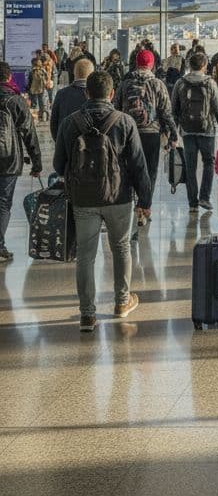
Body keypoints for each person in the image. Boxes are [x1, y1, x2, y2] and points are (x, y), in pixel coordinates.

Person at [53, 70, 152, 331]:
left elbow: (58, 163)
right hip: (119, 196)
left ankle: (87, 314)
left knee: (85, 256)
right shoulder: (125, 121)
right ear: (111, 94)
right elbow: (139, 165)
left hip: (83, 199)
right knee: (121, 248)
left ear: (87, 92)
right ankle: (121, 302)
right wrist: (145, 199)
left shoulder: (70, 122)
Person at [114, 49, 178, 227]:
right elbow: (166, 112)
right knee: (150, 171)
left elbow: (116, 109)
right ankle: (145, 207)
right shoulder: (157, 84)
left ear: (136, 63)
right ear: (151, 65)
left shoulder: (125, 84)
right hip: (151, 133)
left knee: (130, 169)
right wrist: (173, 134)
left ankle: (133, 204)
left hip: (128, 132)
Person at [171, 52, 218, 213]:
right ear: (204, 65)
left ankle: (192, 203)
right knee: (209, 163)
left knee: (190, 166)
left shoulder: (180, 83)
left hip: (187, 131)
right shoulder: (210, 83)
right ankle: (204, 197)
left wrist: (174, 134)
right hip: (207, 129)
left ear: (189, 65)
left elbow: (174, 110)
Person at [0, 62, 42, 263]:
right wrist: (36, 163)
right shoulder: (15, 101)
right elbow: (29, 134)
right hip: (8, 159)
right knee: (3, 203)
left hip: (8, 160)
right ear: (9, 78)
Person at [50, 57, 94, 139]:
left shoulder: (62, 93)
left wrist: (59, 142)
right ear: (92, 74)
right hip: (89, 144)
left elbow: (54, 123)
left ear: (74, 72)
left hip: (66, 142)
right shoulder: (95, 93)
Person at [27, 55, 51, 121]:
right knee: (43, 103)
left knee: (36, 104)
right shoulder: (42, 70)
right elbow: (47, 78)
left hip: (34, 90)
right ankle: (44, 117)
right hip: (42, 89)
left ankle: (37, 117)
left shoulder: (32, 70)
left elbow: (28, 80)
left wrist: (28, 89)